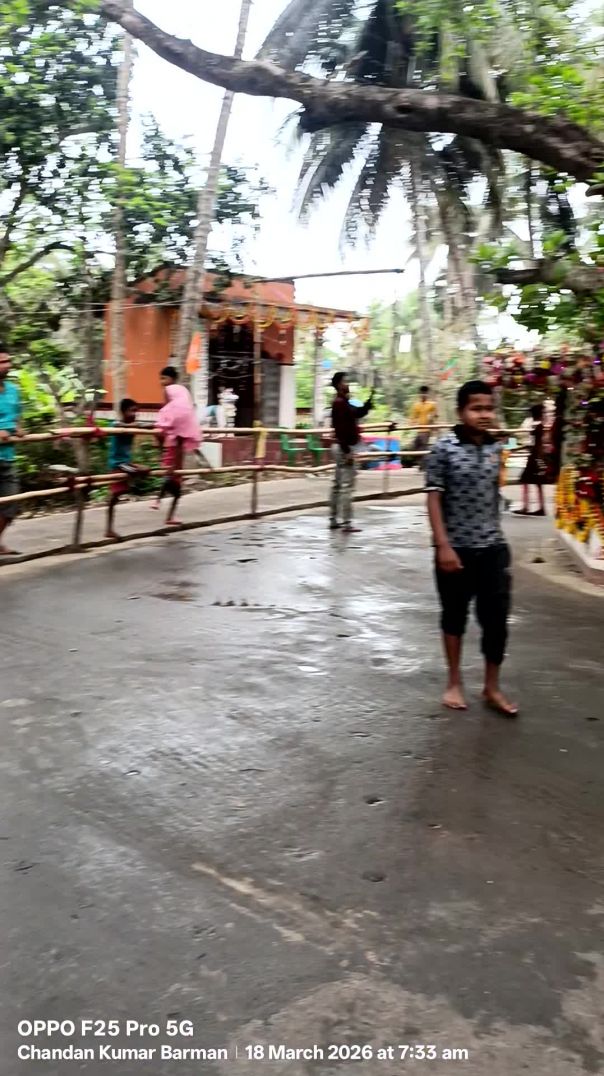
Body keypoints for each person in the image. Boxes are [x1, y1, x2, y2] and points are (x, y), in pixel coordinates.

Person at [426, 379, 517, 717]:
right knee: (454, 616)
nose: (484, 414)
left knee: (496, 622)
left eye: (489, 408)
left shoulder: (496, 448)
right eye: (476, 408)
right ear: (461, 411)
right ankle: (454, 681)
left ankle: (492, 687)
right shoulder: (443, 448)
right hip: (456, 549)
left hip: (493, 548)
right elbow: (433, 499)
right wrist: (443, 546)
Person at [329, 371, 374, 533]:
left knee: (337, 485)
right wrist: (347, 451)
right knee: (346, 486)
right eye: (345, 381)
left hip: (341, 447)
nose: (347, 384)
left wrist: (368, 404)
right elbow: (340, 429)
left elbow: (357, 413)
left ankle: (334, 519)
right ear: (339, 385)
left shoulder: (343, 402)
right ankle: (346, 522)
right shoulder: (340, 403)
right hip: (344, 448)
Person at [153, 383, 201, 525]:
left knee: (175, 488)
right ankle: (159, 502)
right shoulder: (178, 421)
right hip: (175, 457)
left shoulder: (172, 420)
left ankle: (167, 513)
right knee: (169, 479)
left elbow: (161, 433)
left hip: (175, 456)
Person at [105, 398, 149, 540]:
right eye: (132, 411)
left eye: (136, 411)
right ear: (123, 412)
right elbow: (117, 425)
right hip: (118, 464)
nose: (135, 414)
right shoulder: (116, 424)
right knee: (115, 496)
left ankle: (130, 486)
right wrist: (134, 425)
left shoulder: (133, 426)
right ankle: (109, 529)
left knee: (146, 470)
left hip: (127, 463)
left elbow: (147, 426)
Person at [0, 345, 23, 556]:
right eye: (2, 362)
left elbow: (16, 417)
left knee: (11, 503)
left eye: (8, 361)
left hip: (7, 457)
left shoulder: (14, 390)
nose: (7, 365)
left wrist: (17, 427)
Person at [514, 403, 546, 516]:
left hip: (534, 457)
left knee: (525, 480)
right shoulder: (539, 426)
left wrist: (519, 448)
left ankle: (526, 506)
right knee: (537, 482)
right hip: (536, 456)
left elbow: (535, 444)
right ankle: (541, 507)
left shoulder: (536, 426)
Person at [409, 385, 438, 467]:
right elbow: (413, 417)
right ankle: (422, 463)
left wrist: (432, 418)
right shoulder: (416, 405)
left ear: (427, 394)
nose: (423, 395)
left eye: (425, 393)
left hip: (427, 430)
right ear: (419, 394)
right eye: (422, 393)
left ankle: (423, 465)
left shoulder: (432, 404)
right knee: (414, 446)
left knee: (423, 447)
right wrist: (412, 423)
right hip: (419, 429)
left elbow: (435, 415)